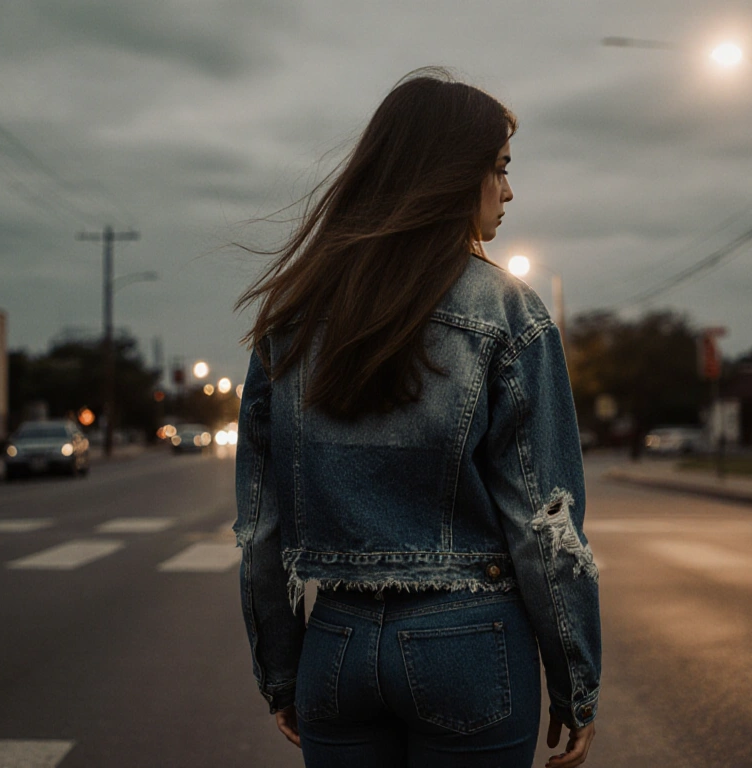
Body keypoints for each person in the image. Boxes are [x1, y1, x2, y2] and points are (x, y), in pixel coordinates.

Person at [233, 67, 601, 768]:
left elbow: (260, 532)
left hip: (335, 650)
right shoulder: (507, 311)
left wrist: (281, 672)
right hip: (471, 643)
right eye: (498, 169)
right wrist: (576, 680)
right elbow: (546, 528)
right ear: (449, 175)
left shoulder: (291, 318)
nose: (509, 190)